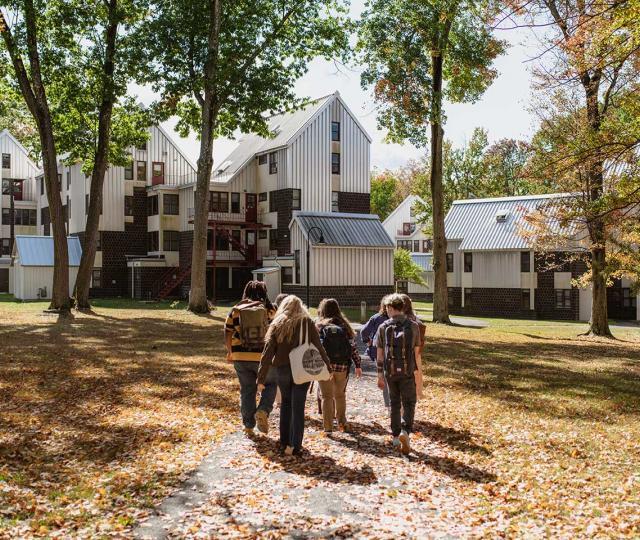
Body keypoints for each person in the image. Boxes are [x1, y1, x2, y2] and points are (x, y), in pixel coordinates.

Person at [257, 295, 332, 456]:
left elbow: (267, 352)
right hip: (302, 369)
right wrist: (328, 367)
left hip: (282, 369)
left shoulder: (277, 323)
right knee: (298, 406)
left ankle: (284, 442)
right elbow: (319, 347)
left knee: (285, 404)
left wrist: (261, 378)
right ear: (301, 307)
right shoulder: (307, 323)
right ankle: (295, 444)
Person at [225, 281, 277, 436]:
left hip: (241, 356)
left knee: (247, 390)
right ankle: (263, 410)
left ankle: (248, 426)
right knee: (271, 384)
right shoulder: (271, 310)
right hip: (263, 357)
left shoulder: (236, 310)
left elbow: (227, 331)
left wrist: (230, 352)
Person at [375, 293, 421, 455]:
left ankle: (395, 436)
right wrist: (414, 371)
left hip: (390, 372)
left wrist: (380, 375)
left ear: (391, 308)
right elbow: (416, 352)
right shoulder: (413, 326)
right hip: (407, 371)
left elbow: (380, 355)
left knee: (394, 402)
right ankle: (405, 430)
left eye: (387, 308)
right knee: (409, 402)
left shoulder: (383, 327)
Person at [315, 298, 363, 433]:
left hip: (325, 366)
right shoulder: (345, 326)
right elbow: (353, 347)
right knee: (340, 395)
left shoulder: (319, 326)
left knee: (326, 397)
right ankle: (342, 423)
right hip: (342, 366)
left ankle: (328, 427)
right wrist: (358, 364)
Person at [360, 296, 390, 412]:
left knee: (384, 377)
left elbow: (364, 332)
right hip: (395, 352)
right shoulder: (402, 319)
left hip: (378, 352)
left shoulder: (376, 318)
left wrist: (368, 342)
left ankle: (388, 405)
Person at [399, 293, 426, 400]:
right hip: (416, 353)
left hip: (404, 354)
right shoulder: (415, 319)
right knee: (416, 376)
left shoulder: (403, 320)